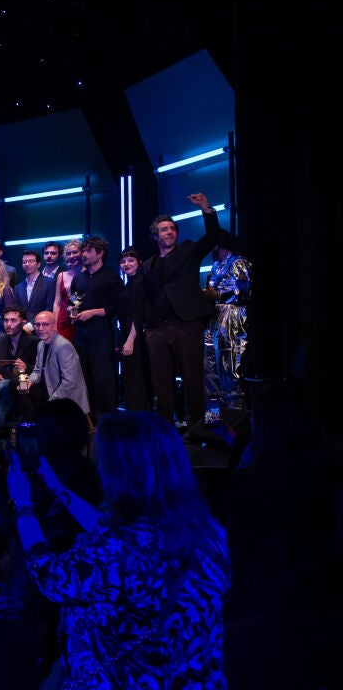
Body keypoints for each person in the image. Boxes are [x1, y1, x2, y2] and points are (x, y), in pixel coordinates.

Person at [5, 411, 230, 688]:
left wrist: (22, 504)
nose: (99, 468)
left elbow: (50, 576)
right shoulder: (207, 529)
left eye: (105, 462)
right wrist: (57, 488)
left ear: (124, 472)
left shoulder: (119, 550)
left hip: (129, 680)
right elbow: (112, 534)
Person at [0, 399, 102, 669]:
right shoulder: (86, 472)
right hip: (75, 591)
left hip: (43, 587)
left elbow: (14, 527)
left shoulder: (46, 477)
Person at [224, 382, 343, 623]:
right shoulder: (326, 473)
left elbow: (234, 549)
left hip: (257, 611)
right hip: (320, 607)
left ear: (259, 425)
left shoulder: (249, 486)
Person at [141, 193, 228, 430]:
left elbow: (212, 236)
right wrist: (148, 326)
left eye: (172, 229)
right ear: (155, 235)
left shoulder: (188, 251)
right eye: (164, 229)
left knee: (192, 378)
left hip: (187, 323)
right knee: (161, 381)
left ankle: (196, 425)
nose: (169, 232)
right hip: (157, 328)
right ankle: (165, 426)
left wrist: (206, 208)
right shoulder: (147, 265)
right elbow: (146, 297)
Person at [68, 236, 120, 423]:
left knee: (102, 374)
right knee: (83, 372)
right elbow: (73, 300)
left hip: (101, 331)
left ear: (100, 253)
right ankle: (86, 416)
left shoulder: (111, 277)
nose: (84, 254)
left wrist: (94, 312)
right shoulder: (79, 278)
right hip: (81, 332)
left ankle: (106, 417)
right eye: (83, 250)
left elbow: (116, 306)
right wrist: (72, 310)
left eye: (88, 251)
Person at [203, 236, 252, 415]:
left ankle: (235, 416)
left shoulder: (237, 262)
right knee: (208, 366)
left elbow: (243, 290)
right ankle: (213, 417)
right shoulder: (216, 265)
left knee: (228, 365)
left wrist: (218, 293)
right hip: (213, 317)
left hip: (230, 315)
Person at [0, 305, 41, 427]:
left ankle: (21, 412)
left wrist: (26, 367)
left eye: (13, 320)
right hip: (6, 387)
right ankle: (17, 412)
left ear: (23, 322)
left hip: (25, 387)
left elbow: (41, 369)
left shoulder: (34, 342)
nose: (8, 324)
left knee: (4, 385)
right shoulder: (1, 342)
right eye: (6, 320)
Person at [26, 311, 90, 415]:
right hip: (50, 391)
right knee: (18, 388)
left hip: (68, 400)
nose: (40, 328)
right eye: (37, 325)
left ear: (54, 325)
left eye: (45, 324)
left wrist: (52, 402)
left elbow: (69, 382)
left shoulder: (63, 346)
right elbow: (37, 371)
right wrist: (29, 381)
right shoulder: (41, 345)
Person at [115, 248, 151, 413]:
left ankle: (139, 417)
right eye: (123, 261)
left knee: (137, 380)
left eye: (131, 260)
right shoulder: (130, 283)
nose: (126, 264)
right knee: (131, 379)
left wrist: (130, 340)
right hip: (127, 335)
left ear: (139, 262)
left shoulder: (138, 282)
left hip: (135, 337)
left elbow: (138, 315)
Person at [51, 239, 82, 343]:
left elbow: (77, 300)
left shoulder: (88, 274)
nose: (72, 256)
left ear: (82, 253)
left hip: (81, 321)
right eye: (68, 253)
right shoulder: (61, 275)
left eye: (75, 252)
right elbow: (57, 303)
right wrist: (54, 324)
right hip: (62, 321)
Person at [14, 249, 55, 326]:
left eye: (31, 261)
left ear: (38, 264)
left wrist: (31, 325)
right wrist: (21, 320)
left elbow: (49, 308)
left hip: (42, 326)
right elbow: (17, 309)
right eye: (24, 262)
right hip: (23, 327)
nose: (27, 264)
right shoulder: (18, 287)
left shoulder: (49, 282)